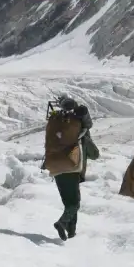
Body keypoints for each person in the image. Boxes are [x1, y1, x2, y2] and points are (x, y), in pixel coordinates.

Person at [43, 95, 96, 241]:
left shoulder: (55, 121)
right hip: (71, 164)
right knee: (75, 203)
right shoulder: (77, 122)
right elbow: (89, 137)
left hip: (55, 165)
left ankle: (71, 233)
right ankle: (62, 223)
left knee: (68, 203)